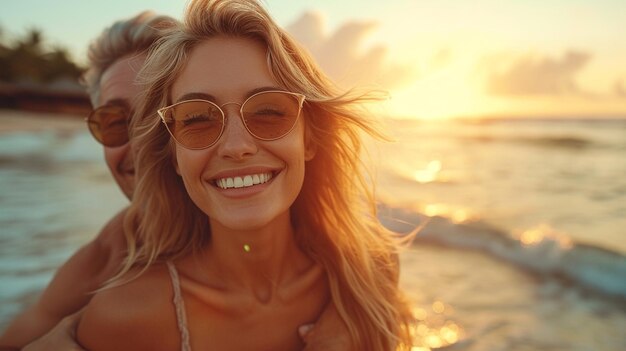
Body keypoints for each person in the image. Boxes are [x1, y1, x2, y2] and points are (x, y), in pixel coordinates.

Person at [0, 9, 350, 351]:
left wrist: (348, 318)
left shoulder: (325, 244)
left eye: (188, 119)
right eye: (116, 121)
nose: (144, 145)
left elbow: (370, 262)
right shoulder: (115, 256)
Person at [76, 0, 414, 350]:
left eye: (268, 112)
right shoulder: (126, 317)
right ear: (174, 155)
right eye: (197, 119)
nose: (236, 146)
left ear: (309, 138)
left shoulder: (369, 273)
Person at [0, 11, 177, 349]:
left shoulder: (298, 225)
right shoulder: (108, 258)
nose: (140, 145)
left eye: (159, 116)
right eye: (114, 121)